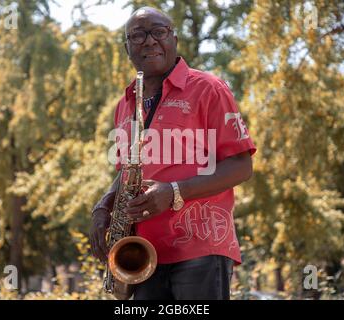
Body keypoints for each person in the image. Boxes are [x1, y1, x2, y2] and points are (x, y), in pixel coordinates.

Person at [89, 6, 257, 300]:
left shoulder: (209, 88)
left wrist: (175, 191)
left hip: (200, 248)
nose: (149, 41)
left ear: (174, 39)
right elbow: (128, 172)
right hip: (141, 252)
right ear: (127, 47)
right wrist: (104, 204)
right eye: (138, 35)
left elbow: (241, 167)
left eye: (159, 32)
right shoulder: (124, 104)